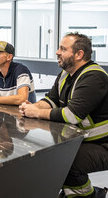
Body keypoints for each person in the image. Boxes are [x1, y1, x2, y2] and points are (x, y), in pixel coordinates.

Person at [19, 32, 108, 198]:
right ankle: (84, 193)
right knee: (55, 156)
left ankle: (92, 195)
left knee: (68, 160)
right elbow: (51, 100)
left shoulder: (94, 77)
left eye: (63, 49)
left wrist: (37, 112)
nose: (57, 52)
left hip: (104, 144)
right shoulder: (66, 74)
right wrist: (31, 107)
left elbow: (72, 115)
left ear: (79, 54)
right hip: (86, 139)